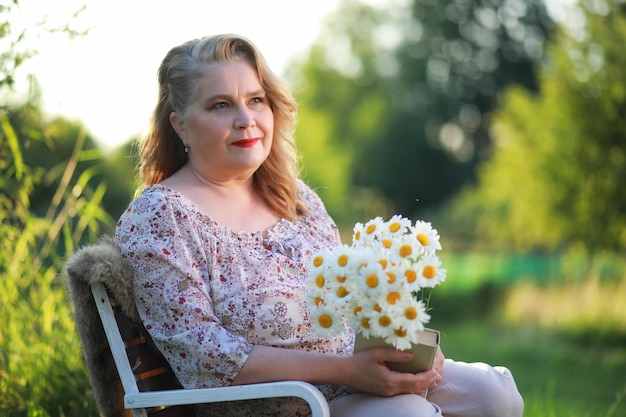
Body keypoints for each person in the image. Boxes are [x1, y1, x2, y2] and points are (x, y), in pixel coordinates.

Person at [115, 33, 524, 417]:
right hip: (285, 403)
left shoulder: (295, 197)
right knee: (409, 414)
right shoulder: (160, 217)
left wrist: (403, 344)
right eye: (220, 105)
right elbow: (206, 357)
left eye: (256, 99)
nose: (246, 119)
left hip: (355, 380)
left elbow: (350, 302)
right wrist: (349, 371)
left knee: (495, 394)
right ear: (180, 124)